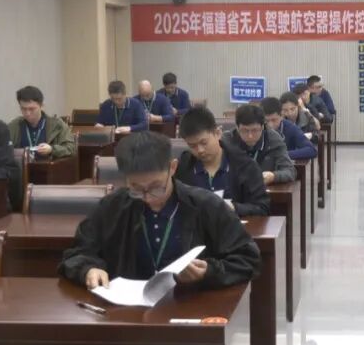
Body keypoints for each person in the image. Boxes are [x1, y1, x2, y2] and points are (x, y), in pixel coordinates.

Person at [58, 131, 261, 290]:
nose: (147, 197)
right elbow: (76, 254)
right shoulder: (112, 207)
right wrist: (88, 269)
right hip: (128, 311)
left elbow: (248, 259)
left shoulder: (207, 205)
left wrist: (209, 271)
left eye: (156, 187)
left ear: (172, 168)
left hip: (191, 305)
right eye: (136, 188)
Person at [174, 106, 270, 217]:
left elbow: (263, 208)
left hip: (235, 225)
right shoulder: (183, 166)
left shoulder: (245, 165)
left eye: (204, 143)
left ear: (218, 133)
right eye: (192, 146)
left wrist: (234, 208)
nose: (200, 150)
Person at [225, 104, 296, 185]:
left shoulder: (274, 140)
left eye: (254, 130)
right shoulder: (227, 140)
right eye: (245, 130)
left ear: (262, 127)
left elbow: (290, 171)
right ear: (237, 128)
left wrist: (273, 176)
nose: (250, 136)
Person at [8, 85, 76, 159]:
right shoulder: (14, 125)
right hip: (22, 165)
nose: (27, 113)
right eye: (23, 109)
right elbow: (3, 148)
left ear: (41, 106)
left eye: (32, 109)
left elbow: (71, 148)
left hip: (48, 165)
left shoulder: (57, 124)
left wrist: (52, 149)